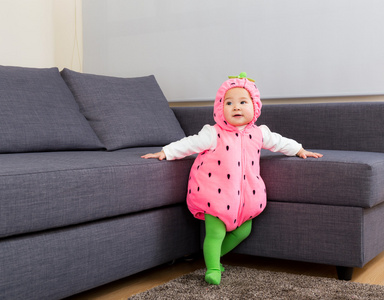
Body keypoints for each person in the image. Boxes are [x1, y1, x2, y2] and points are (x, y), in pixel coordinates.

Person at [142, 72, 323, 285]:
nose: (236, 107)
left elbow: (279, 142)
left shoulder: (259, 133)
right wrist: (166, 151)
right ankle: (213, 269)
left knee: (244, 230)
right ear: (220, 109)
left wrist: (299, 149)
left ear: (255, 107)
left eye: (243, 102)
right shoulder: (213, 133)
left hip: (245, 197)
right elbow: (190, 143)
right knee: (215, 233)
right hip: (214, 194)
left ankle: (213, 257)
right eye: (229, 103)